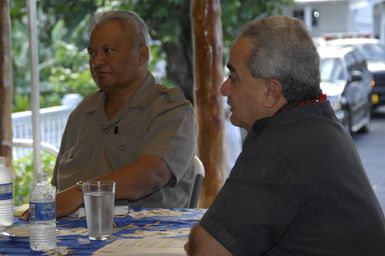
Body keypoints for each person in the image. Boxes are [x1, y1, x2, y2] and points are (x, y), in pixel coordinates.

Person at [185, 16, 385, 255]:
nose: (224, 88)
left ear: (271, 92)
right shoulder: (317, 122)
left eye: (234, 77)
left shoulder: (281, 145)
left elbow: (207, 248)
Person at [22, 10, 196, 219]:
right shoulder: (83, 112)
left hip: (142, 239)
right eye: (92, 53)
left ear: (142, 55)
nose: (96, 62)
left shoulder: (171, 110)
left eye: (108, 51)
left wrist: (82, 192)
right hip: (71, 239)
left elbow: (153, 174)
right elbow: (59, 188)